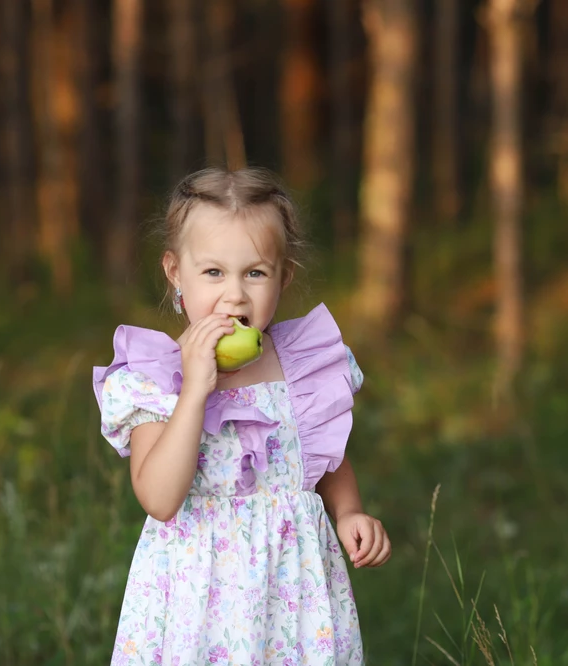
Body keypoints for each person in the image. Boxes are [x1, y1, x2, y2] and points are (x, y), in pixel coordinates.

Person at [92, 166, 391, 665]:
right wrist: (194, 391)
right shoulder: (157, 378)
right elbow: (160, 499)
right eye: (213, 272)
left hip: (293, 594)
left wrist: (350, 511)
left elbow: (321, 458)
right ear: (175, 273)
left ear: (284, 276)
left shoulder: (301, 365)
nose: (234, 294)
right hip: (199, 601)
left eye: (255, 272)